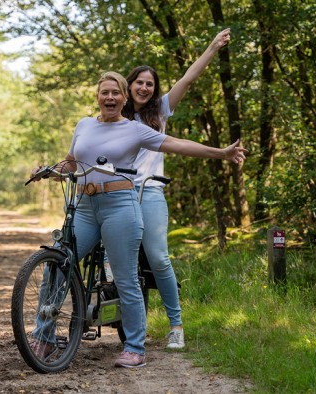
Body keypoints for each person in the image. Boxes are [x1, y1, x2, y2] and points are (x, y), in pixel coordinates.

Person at [30, 71, 246, 368]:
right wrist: (51, 171)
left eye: (115, 93)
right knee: (57, 265)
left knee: (126, 277)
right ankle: (44, 337)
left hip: (120, 205)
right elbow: (71, 162)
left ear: (124, 97)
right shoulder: (84, 125)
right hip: (84, 204)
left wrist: (221, 153)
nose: (110, 98)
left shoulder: (134, 129)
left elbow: (179, 144)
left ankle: (134, 347)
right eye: (104, 92)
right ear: (97, 96)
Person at [122, 28, 231, 349]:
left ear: (154, 90)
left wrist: (212, 47)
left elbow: (188, 78)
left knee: (158, 257)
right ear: (128, 85)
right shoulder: (115, 116)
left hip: (151, 193)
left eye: (149, 84)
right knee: (116, 262)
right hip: (119, 193)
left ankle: (176, 325)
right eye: (139, 82)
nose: (144, 87)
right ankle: (126, 323)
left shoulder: (160, 111)